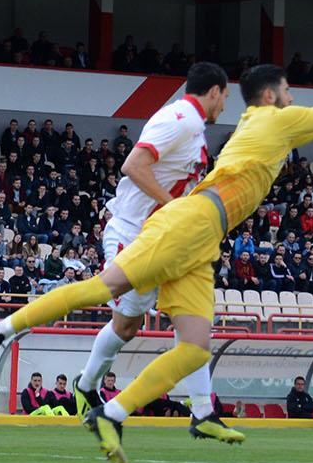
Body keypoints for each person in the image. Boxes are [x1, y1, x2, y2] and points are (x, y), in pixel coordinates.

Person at [0, 67, 313, 463]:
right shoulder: (267, 120)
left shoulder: (254, 127)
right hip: (190, 221)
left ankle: (113, 414)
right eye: (289, 91)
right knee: (103, 290)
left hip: (205, 236)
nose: (293, 98)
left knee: (193, 348)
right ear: (271, 96)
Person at [72, 64, 240, 443]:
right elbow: (134, 165)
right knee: (127, 326)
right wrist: (172, 206)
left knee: (190, 322)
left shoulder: (194, 128)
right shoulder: (179, 118)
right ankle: (86, 384)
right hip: (134, 234)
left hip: (170, 237)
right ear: (214, 92)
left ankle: (203, 412)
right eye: (226, 97)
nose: (225, 106)